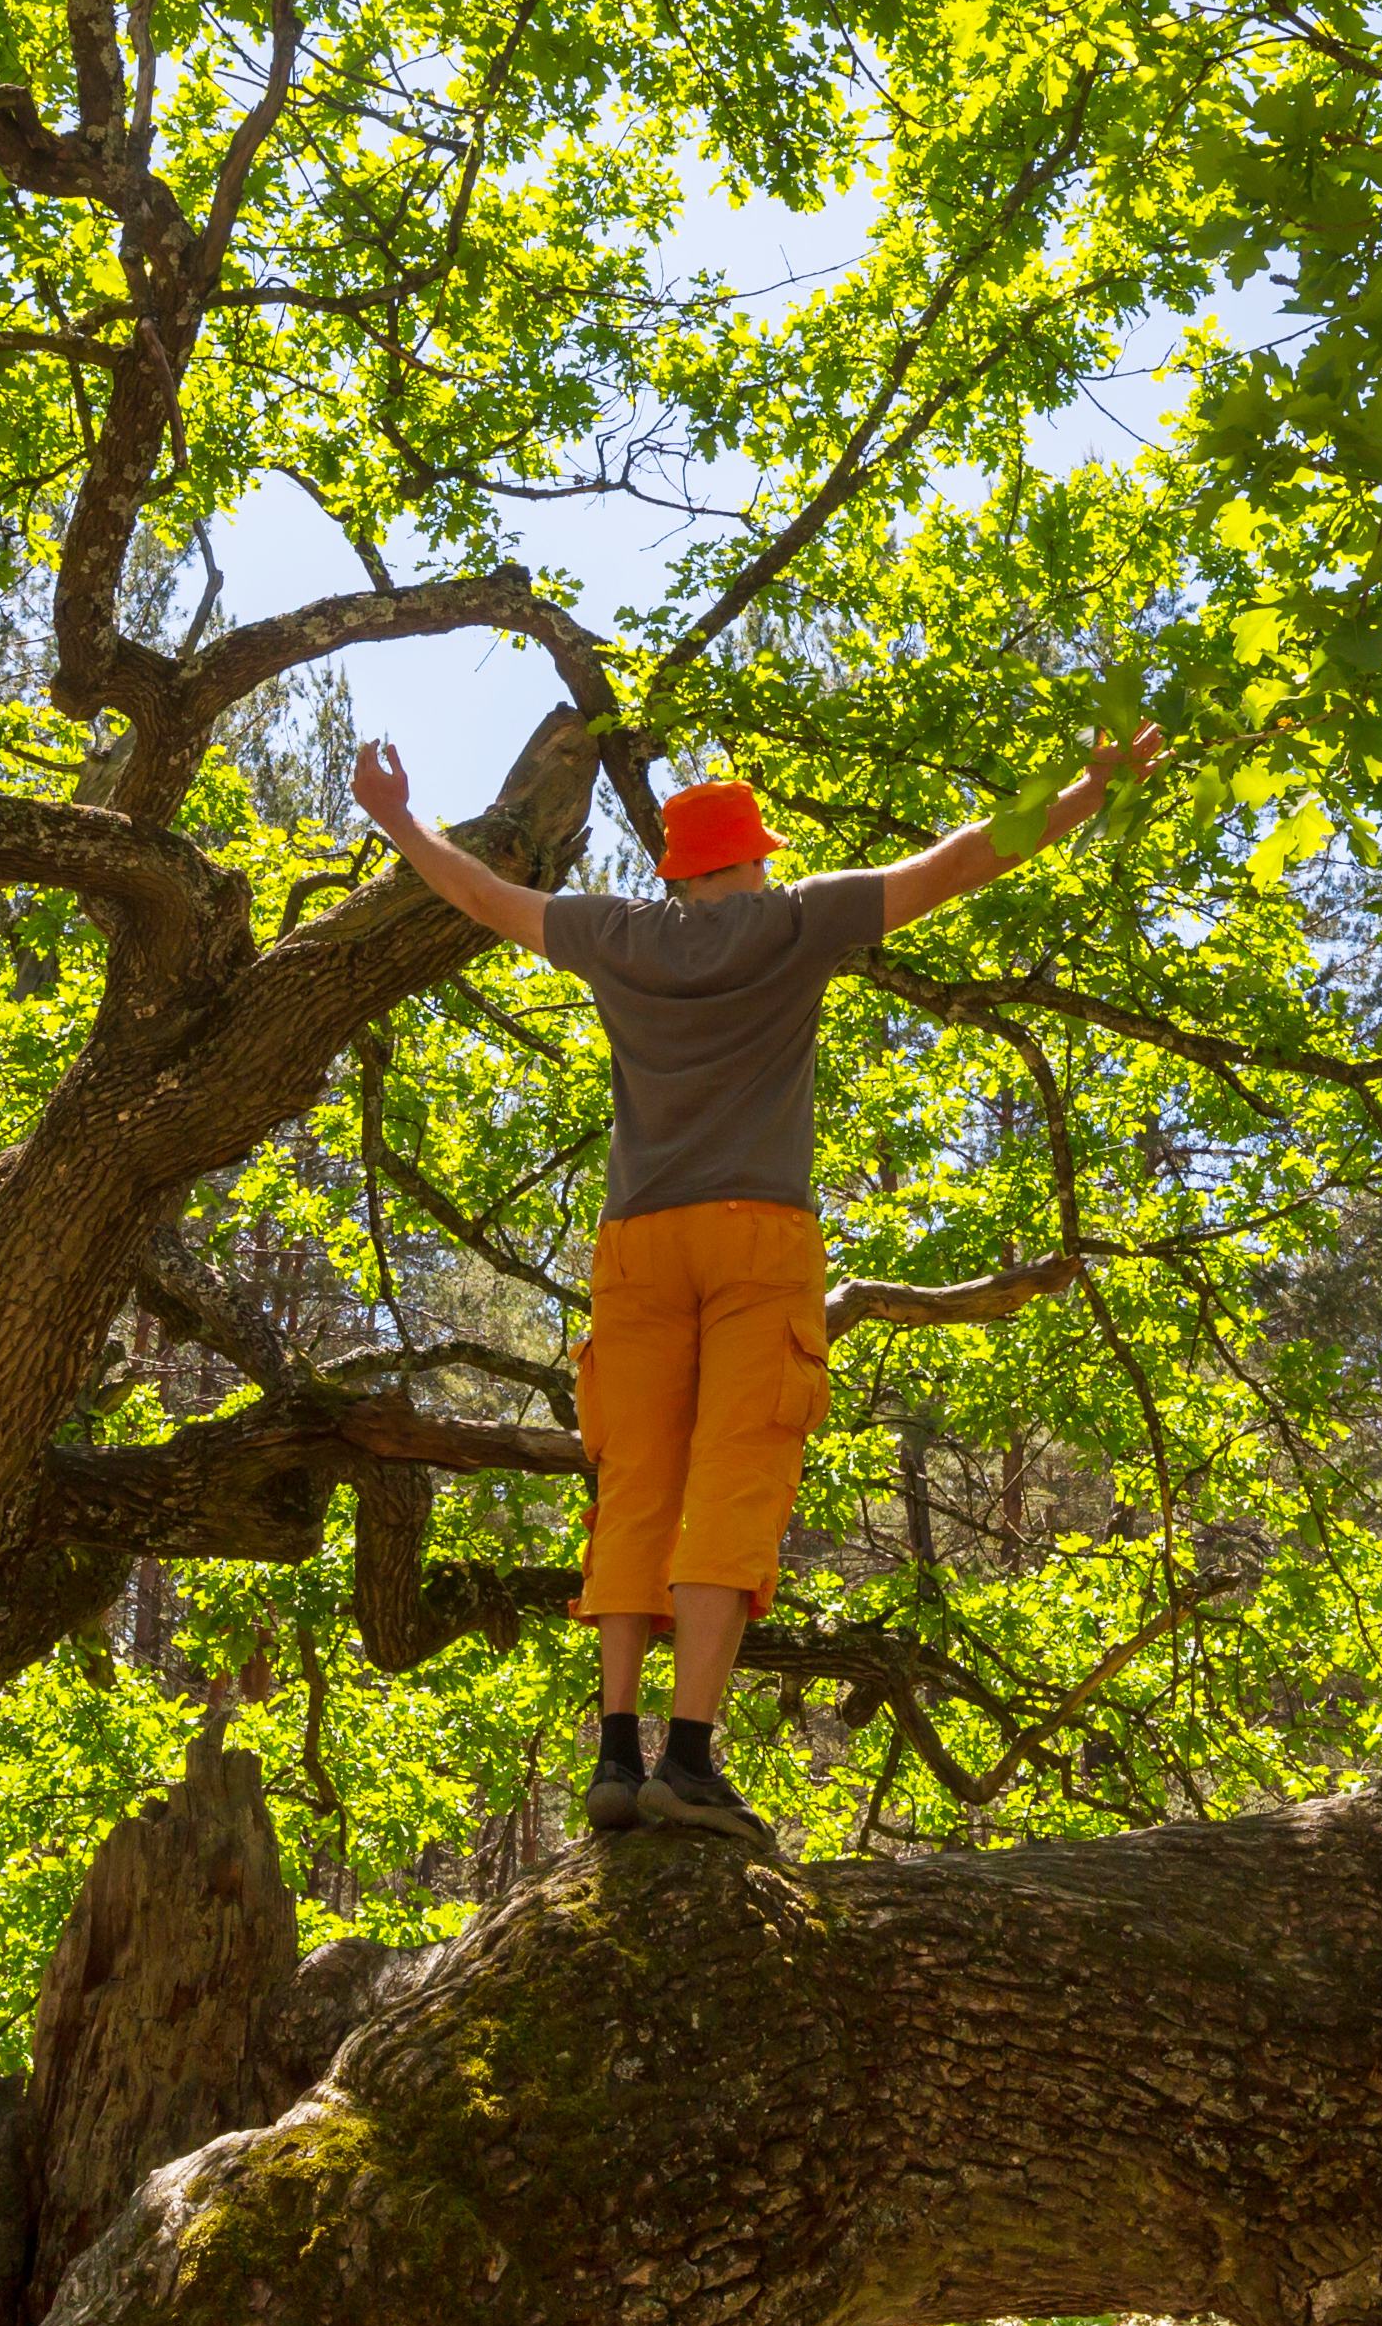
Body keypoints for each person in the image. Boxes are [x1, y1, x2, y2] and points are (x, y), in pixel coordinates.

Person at [351, 724, 1163, 1844]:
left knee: (632, 1487)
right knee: (731, 1486)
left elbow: (484, 897)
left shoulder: (614, 935)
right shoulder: (798, 922)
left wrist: (397, 818)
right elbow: (971, 857)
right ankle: (688, 1762)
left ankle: (615, 1753)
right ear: (754, 858)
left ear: (678, 868)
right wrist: (1087, 787)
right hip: (756, 1241)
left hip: (636, 1246)